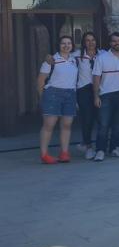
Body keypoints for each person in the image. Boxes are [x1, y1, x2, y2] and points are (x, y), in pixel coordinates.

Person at [38, 35, 78, 164]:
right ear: (58, 45)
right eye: (63, 43)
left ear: (72, 45)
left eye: (69, 43)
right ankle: (44, 154)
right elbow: (40, 80)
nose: (66, 46)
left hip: (70, 94)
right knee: (49, 125)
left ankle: (64, 153)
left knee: (67, 125)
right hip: (53, 93)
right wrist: (41, 97)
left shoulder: (74, 59)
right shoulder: (51, 60)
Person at [92, 32, 119, 162]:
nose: (117, 43)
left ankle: (115, 148)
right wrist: (96, 96)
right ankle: (100, 150)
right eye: (114, 41)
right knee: (103, 124)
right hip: (105, 94)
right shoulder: (101, 57)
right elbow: (96, 78)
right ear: (110, 43)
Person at [75, 32, 100, 159]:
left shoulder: (103, 55)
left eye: (93, 40)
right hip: (83, 90)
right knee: (87, 119)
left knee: (101, 119)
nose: (90, 43)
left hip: (100, 90)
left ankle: (101, 147)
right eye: (87, 40)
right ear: (84, 42)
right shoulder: (76, 56)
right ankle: (88, 146)